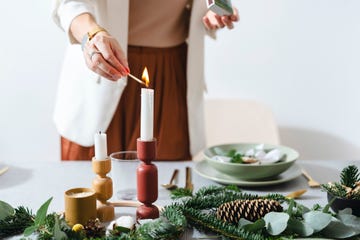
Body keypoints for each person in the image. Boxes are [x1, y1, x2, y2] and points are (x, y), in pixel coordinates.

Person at [52, 0, 239, 161]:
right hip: (103, 70)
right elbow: (69, 3)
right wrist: (92, 35)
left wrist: (211, 11)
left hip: (170, 78)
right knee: (92, 186)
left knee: (165, 189)